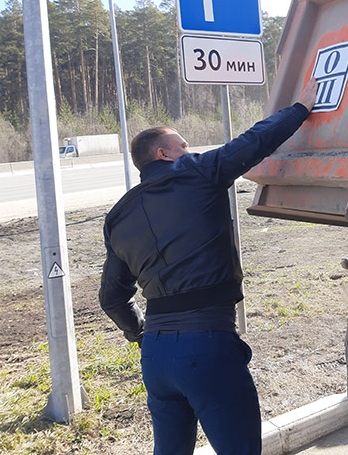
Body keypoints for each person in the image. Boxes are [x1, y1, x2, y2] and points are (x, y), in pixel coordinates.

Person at [99, 78, 318, 455]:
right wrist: (301, 108)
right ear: (165, 154)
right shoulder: (197, 173)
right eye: (184, 145)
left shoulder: (118, 216)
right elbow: (252, 142)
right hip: (207, 345)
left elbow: (111, 298)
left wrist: (140, 335)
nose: (191, 149)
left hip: (155, 357)